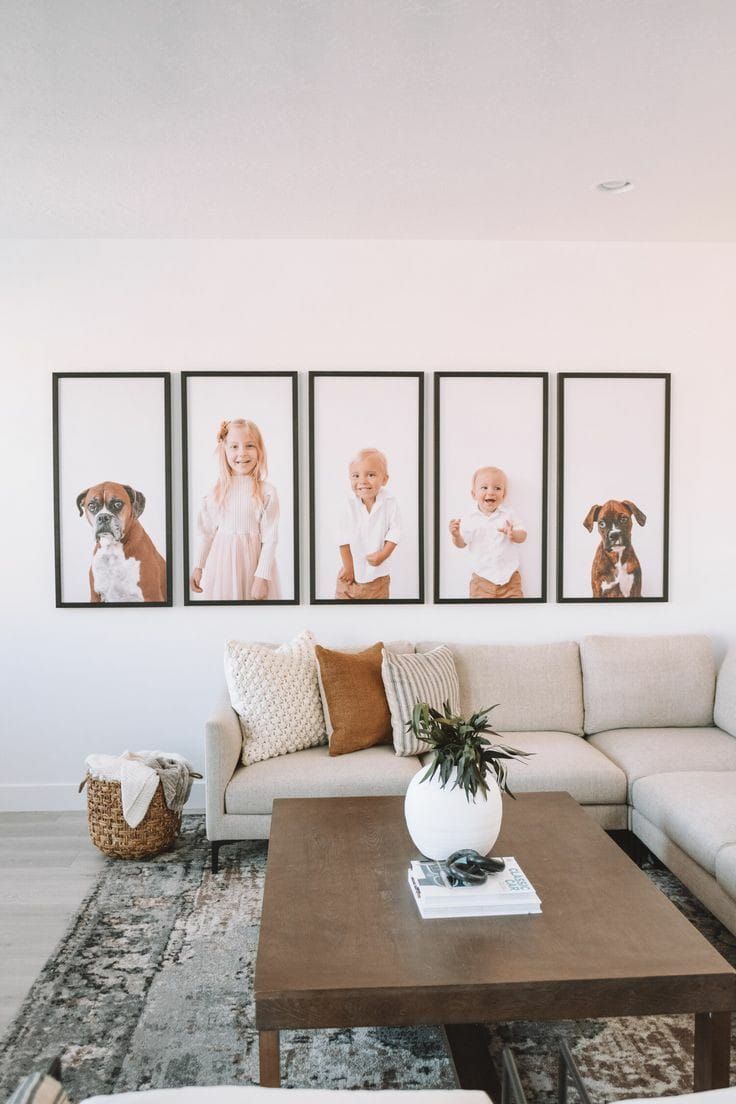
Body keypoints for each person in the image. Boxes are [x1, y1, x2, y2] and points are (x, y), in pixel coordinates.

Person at [191, 419, 281, 601]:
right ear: (224, 451)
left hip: (255, 569)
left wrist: (261, 576)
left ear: (260, 451)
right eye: (234, 447)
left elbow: (270, 538)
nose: (242, 453)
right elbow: (207, 534)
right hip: (222, 568)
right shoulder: (215, 493)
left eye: (249, 445)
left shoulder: (267, 492)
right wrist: (198, 566)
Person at [449, 465, 527, 599]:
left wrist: (513, 534)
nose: (491, 492)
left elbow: (523, 535)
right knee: (480, 616)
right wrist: (456, 535)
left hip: (510, 580)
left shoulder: (508, 515)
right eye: (484, 488)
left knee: (516, 614)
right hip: (482, 581)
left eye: (497, 488)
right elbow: (461, 544)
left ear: (504, 494)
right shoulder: (469, 518)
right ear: (473, 494)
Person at [336, 447, 400, 600]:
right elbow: (342, 539)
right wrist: (349, 567)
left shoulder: (390, 502)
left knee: (378, 617)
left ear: (384, 479)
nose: (362, 481)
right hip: (350, 575)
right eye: (356, 476)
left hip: (379, 578)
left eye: (371, 475)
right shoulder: (348, 504)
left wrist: (383, 555)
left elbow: (396, 532)